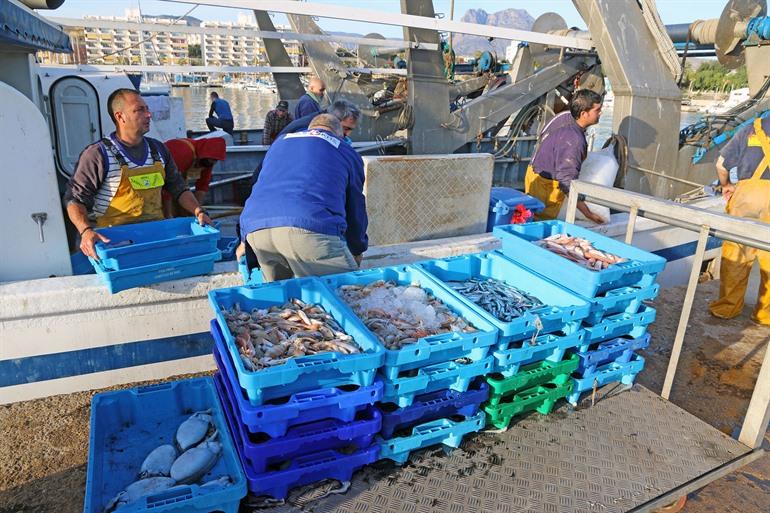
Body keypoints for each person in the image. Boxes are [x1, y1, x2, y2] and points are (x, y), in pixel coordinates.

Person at [64, 88, 212, 259]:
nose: (148, 114)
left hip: (155, 238)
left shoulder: (158, 150)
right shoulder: (97, 155)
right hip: (114, 245)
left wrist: (198, 211)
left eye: (147, 109)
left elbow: (179, 188)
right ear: (120, 117)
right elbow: (74, 200)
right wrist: (86, 231)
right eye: (139, 110)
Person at [240, 114, 368, 281]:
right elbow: (355, 207)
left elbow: (258, 185)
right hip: (308, 228)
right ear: (338, 133)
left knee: (282, 300)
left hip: (256, 231)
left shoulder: (280, 143)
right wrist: (357, 248)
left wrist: (243, 239)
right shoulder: (345, 151)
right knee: (350, 294)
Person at [708, 116, 770, 326]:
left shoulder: (752, 128)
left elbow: (721, 164)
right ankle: (765, 314)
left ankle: (727, 307)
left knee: (737, 252)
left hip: (746, 197)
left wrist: (726, 185)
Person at [525, 89, 606, 224]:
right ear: (583, 114)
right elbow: (567, 182)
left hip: (534, 173)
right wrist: (588, 214)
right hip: (546, 189)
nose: (601, 113)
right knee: (539, 223)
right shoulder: (574, 141)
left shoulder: (563, 118)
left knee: (531, 216)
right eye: (597, 110)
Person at [162, 137, 227, 218]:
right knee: (165, 215)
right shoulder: (183, 152)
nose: (214, 162)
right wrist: (167, 214)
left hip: (177, 182)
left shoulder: (207, 161)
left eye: (216, 160)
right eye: (212, 160)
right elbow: (168, 184)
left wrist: (197, 212)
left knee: (185, 213)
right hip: (161, 182)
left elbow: (202, 186)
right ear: (203, 155)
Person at [279, 99, 360, 142]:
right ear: (334, 119)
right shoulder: (309, 132)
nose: (347, 134)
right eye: (346, 128)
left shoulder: (318, 121)